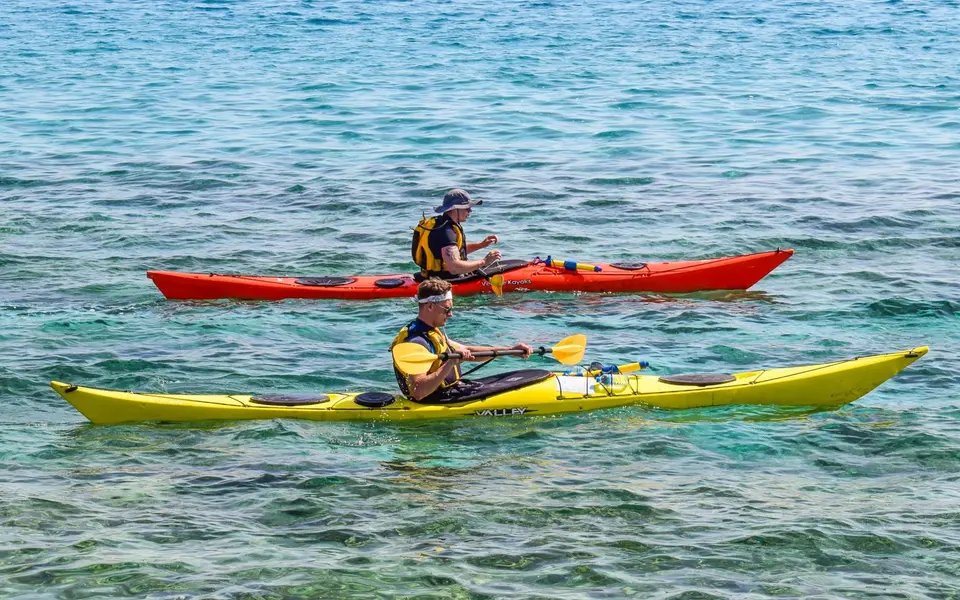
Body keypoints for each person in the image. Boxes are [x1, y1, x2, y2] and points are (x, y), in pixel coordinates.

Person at [390, 278, 532, 401]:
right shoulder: (415, 341)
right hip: (435, 400)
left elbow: (467, 351)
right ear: (430, 306)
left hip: (450, 392)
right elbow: (419, 392)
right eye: (446, 309)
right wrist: (451, 362)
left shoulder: (431, 332)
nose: (451, 314)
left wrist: (510, 351)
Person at [411, 188, 502, 280]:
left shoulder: (442, 224)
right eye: (467, 208)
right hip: (441, 282)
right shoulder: (446, 232)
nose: (470, 211)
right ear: (455, 209)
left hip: (430, 276)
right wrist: (484, 262)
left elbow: (454, 250)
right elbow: (454, 268)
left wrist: (481, 245)